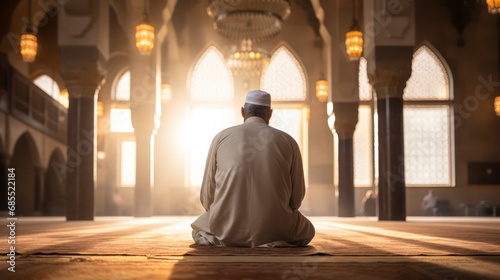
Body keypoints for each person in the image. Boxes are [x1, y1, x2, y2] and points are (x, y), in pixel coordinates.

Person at [191, 90, 315, 248]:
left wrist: (221, 214)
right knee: (308, 230)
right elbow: (296, 198)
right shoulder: (289, 141)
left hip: (226, 228)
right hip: (276, 227)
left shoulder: (221, 137)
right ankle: (272, 239)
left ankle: (226, 237)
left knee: (199, 229)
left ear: (243, 111)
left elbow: (207, 195)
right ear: (270, 114)